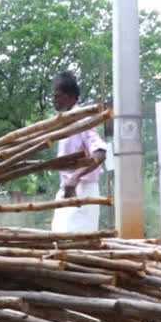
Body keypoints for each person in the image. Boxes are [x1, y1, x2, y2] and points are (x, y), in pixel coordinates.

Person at [50, 70, 108, 233]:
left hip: (83, 190)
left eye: (57, 96)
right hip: (67, 189)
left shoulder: (82, 120)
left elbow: (100, 153)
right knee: (59, 238)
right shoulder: (65, 122)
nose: (53, 100)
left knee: (75, 241)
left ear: (70, 97)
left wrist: (75, 177)